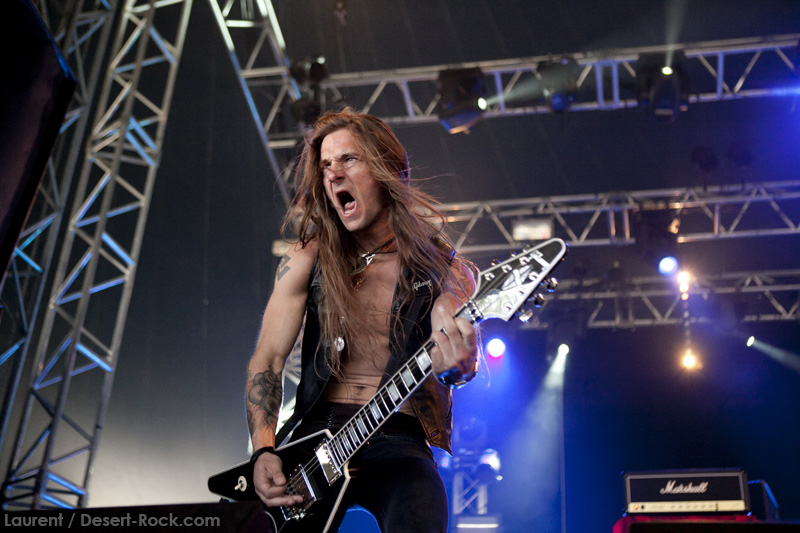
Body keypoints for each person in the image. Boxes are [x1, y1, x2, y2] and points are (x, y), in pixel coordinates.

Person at [245, 108, 480, 532]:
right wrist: (264, 450)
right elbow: (268, 360)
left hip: (398, 435)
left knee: (422, 515)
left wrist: (457, 365)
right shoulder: (307, 257)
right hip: (314, 440)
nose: (333, 173)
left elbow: (453, 323)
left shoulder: (441, 265)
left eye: (348, 159)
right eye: (325, 165)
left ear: (387, 169)